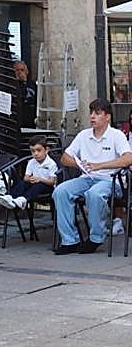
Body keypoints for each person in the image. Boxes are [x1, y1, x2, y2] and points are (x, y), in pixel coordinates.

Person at [52, 98, 132, 255]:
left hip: (110, 180)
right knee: (60, 191)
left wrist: (100, 165)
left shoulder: (116, 135)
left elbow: (128, 158)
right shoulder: (84, 135)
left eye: (97, 113)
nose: (92, 117)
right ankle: (70, 240)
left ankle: (96, 237)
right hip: (86, 178)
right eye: (91, 113)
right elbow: (65, 158)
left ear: (107, 117)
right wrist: (81, 165)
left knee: (94, 194)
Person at [0, 135, 57, 211]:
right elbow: (26, 177)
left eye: (39, 150)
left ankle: (23, 200)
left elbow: (52, 182)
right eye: (33, 151)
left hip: (47, 186)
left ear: (46, 150)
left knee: (39, 185)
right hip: (34, 183)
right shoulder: (31, 162)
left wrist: (40, 179)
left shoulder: (51, 163)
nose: (35, 154)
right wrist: (30, 179)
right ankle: (10, 197)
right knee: (23, 183)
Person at [13, 61, 38, 129]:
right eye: (17, 70)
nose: (19, 72)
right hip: (18, 120)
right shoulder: (12, 86)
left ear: (26, 71)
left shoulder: (33, 85)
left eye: (22, 70)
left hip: (31, 120)